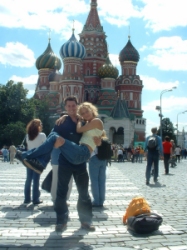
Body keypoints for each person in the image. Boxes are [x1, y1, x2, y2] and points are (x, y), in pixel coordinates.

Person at [17, 96, 101, 232]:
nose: (71, 108)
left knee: (84, 193)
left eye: (73, 106)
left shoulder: (85, 121)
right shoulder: (61, 122)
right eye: (68, 106)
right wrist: (55, 144)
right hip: (65, 162)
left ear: (77, 106)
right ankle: (61, 221)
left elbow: (95, 136)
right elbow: (52, 137)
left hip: (79, 162)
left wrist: (98, 142)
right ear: (65, 108)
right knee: (61, 193)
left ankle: (85, 220)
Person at [16, 101, 104, 174]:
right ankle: (40, 163)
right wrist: (66, 116)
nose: (85, 114)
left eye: (87, 111)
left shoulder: (96, 121)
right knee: (54, 136)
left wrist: (79, 119)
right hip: (78, 153)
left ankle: (29, 157)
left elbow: (79, 130)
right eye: (83, 113)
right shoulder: (88, 123)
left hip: (83, 153)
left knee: (54, 136)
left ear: (92, 110)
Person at [24, 119, 46, 205]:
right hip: (38, 159)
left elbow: (28, 147)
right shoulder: (42, 135)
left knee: (28, 179)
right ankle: (35, 199)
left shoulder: (27, 136)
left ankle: (27, 198)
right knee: (36, 179)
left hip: (29, 159)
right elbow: (45, 146)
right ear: (38, 126)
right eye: (41, 124)